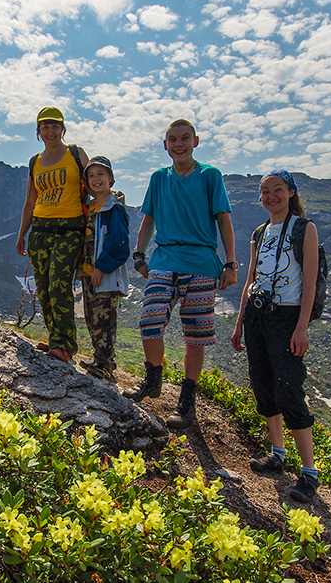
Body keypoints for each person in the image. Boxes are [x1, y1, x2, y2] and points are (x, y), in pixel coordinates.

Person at [124, 119, 238, 428]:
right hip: (164, 258)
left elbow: (223, 220)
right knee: (150, 318)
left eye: (184, 138)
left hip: (201, 261)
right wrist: (139, 254)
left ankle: (186, 403)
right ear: (165, 145)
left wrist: (230, 262)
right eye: (172, 139)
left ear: (195, 141)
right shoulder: (159, 178)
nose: (179, 144)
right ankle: (153, 379)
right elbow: (148, 220)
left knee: (196, 335)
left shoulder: (209, 175)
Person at [231, 169, 321, 504]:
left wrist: (301, 327)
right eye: (264, 191)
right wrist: (240, 322)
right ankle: (278, 453)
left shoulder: (304, 229)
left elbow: (309, 281)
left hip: (286, 317)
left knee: (289, 388)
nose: (270, 196)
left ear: (291, 192)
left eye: (277, 190)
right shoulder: (259, 231)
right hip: (257, 316)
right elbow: (251, 278)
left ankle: (309, 473)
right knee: (263, 383)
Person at [16, 107, 89, 364]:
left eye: (55, 126)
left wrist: (109, 196)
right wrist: (22, 234)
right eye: (45, 126)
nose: (50, 131)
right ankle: (56, 337)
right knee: (44, 290)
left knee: (59, 285)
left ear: (63, 128)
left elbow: (91, 183)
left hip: (69, 229)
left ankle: (65, 346)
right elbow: (30, 200)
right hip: (40, 230)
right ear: (38, 130)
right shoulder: (35, 162)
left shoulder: (76, 154)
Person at [79, 156, 131, 381]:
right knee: (92, 317)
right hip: (89, 273)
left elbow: (120, 244)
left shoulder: (113, 208)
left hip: (104, 274)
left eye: (101, 174)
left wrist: (100, 267)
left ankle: (106, 363)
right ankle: (99, 359)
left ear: (111, 178)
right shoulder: (90, 207)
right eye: (91, 175)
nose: (95, 179)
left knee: (105, 318)